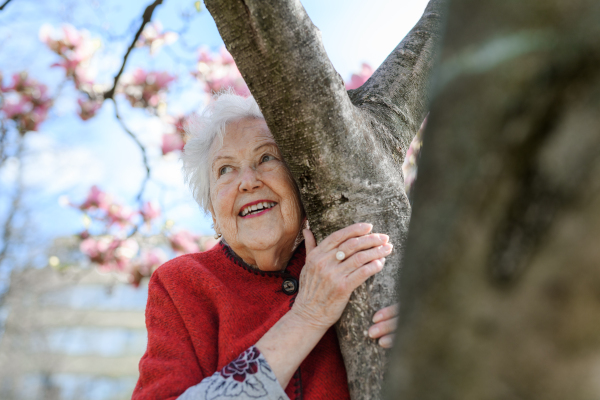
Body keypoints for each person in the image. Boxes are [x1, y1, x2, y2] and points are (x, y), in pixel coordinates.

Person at [132, 93, 398, 400]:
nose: (248, 181)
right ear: (214, 215)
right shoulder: (182, 282)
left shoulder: (347, 255)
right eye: (225, 170)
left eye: (267, 157)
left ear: (302, 186)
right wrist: (309, 315)